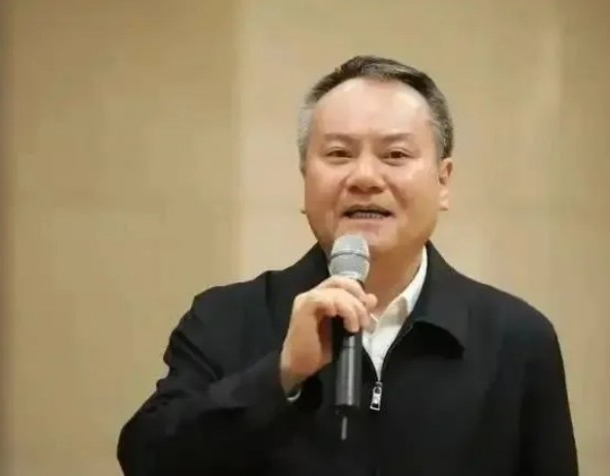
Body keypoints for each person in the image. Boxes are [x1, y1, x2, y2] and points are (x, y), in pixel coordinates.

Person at [117, 55, 578, 476]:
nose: (364, 177)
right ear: (305, 178)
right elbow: (147, 460)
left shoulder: (516, 339)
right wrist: (281, 375)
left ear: (443, 181)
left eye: (395, 155)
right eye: (338, 154)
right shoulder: (224, 318)